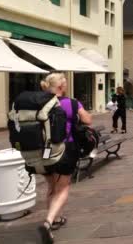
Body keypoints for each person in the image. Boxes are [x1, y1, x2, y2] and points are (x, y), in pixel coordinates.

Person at [37, 73, 92, 243]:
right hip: (64, 149)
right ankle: (48, 222)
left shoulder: (38, 103)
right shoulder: (70, 103)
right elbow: (87, 120)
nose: (66, 85)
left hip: (41, 151)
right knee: (62, 188)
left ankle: (56, 219)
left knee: (52, 187)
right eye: (65, 83)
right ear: (61, 86)